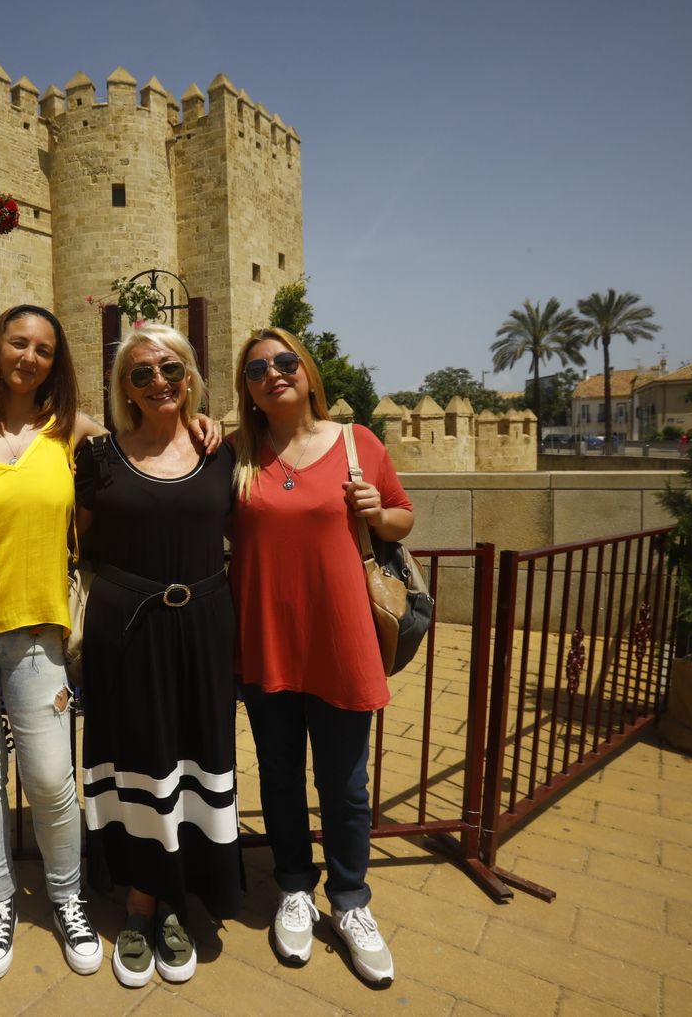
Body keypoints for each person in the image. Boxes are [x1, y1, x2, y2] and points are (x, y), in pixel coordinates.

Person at [0, 305, 219, 983]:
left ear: (57, 363)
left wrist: (205, 420)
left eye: (44, 349)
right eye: (18, 342)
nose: (29, 357)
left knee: (53, 781)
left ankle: (66, 899)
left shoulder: (73, 433)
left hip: (41, 634)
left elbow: (149, 436)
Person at [228, 328, 414, 988]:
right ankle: (292, 888)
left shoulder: (358, 443)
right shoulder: (236, 452)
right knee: (278, 777)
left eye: (285, 362)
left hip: (340, 638)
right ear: (246, 388)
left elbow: (401, 517)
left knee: (343, 785)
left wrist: (379, 512)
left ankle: (353, 902)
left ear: (308, 373)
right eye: (257, 369)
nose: (273, 374)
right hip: (266, 642)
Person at [73, 324, 241, 988]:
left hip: (203, 626)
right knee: (139, 759)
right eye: (140, 373)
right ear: (123, 389)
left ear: (192, 375)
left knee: (198, 756)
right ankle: (142, 900)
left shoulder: (223, 452)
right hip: (128, 628)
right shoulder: (101, 457)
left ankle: (180, 896)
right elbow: (77, 541)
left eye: (169, 368)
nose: (158, 382)